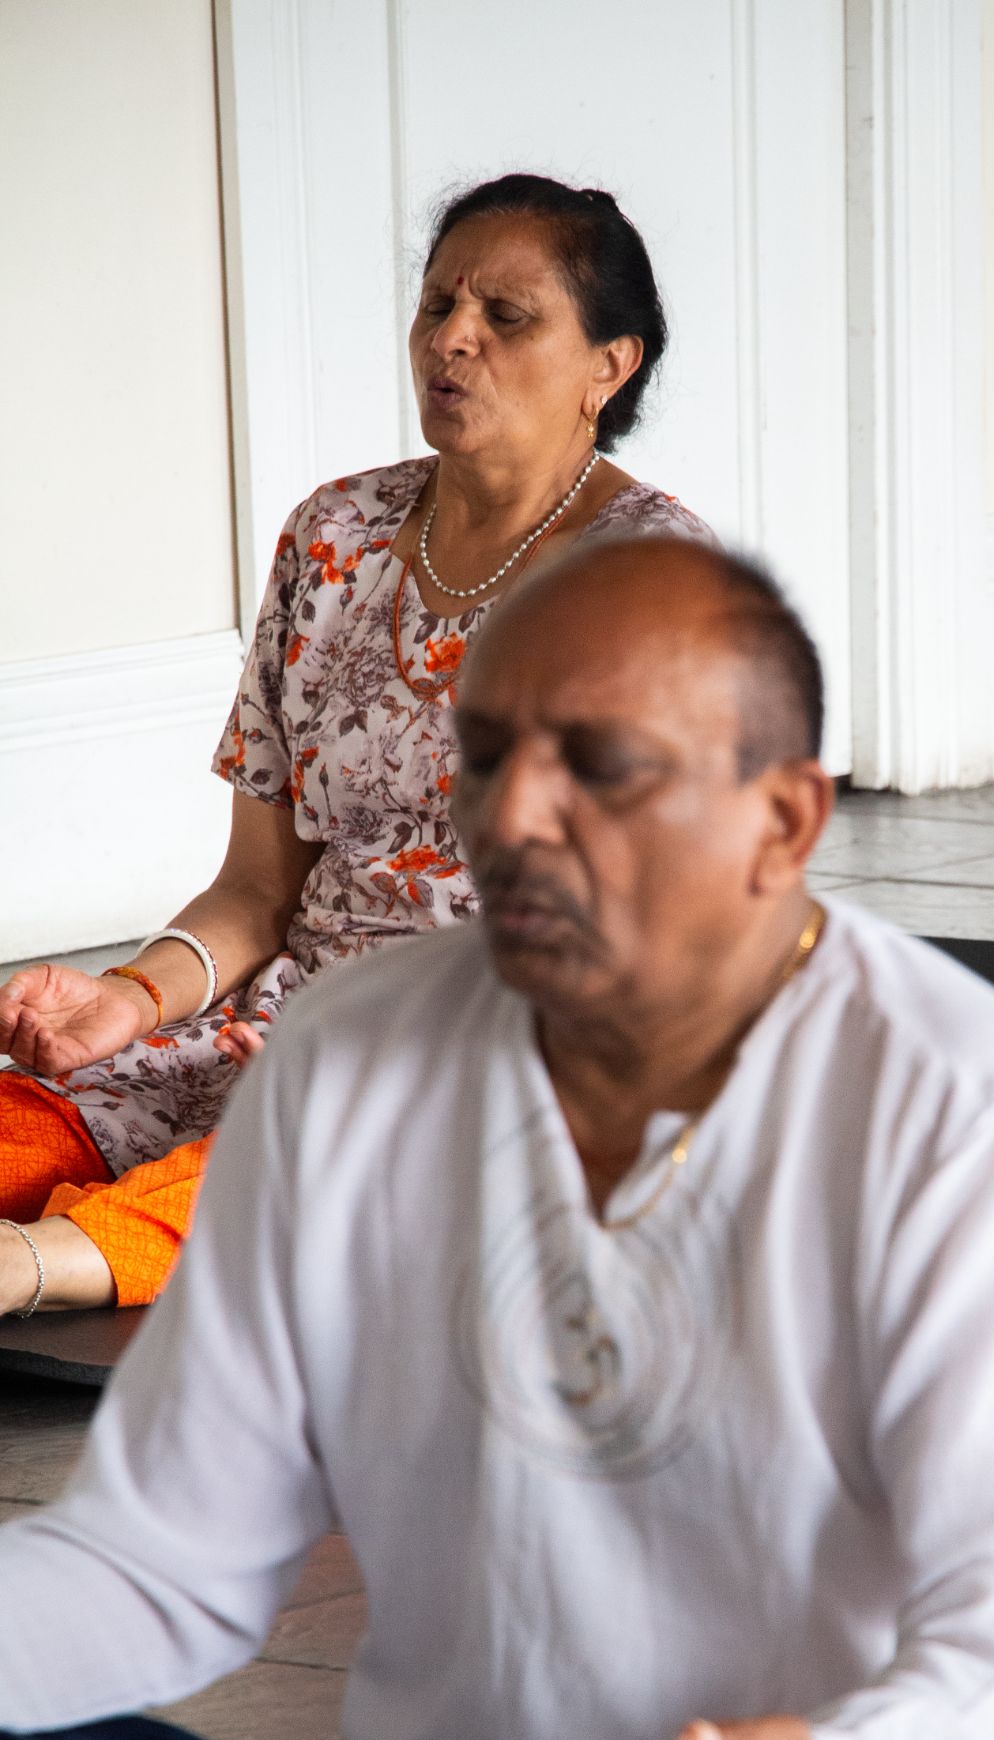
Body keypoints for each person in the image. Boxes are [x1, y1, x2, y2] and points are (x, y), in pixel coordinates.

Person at [0, 539, 994, 1740]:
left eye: (599, 770)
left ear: (782, 820)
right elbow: (164, 1560)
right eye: (485, 760)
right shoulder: (349, 1058)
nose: (515, 820)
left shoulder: (945, 1090)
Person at [0, 173, 708, 1322]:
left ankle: (39, 1264)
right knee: (36, 1119)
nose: (453, 341)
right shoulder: (336, 533)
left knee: (321, 1152)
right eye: (438, 306)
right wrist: (128, 999)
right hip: (290, 1021)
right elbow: (254, 890)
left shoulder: (654, 574)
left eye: (506, 317)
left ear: (608, 366)